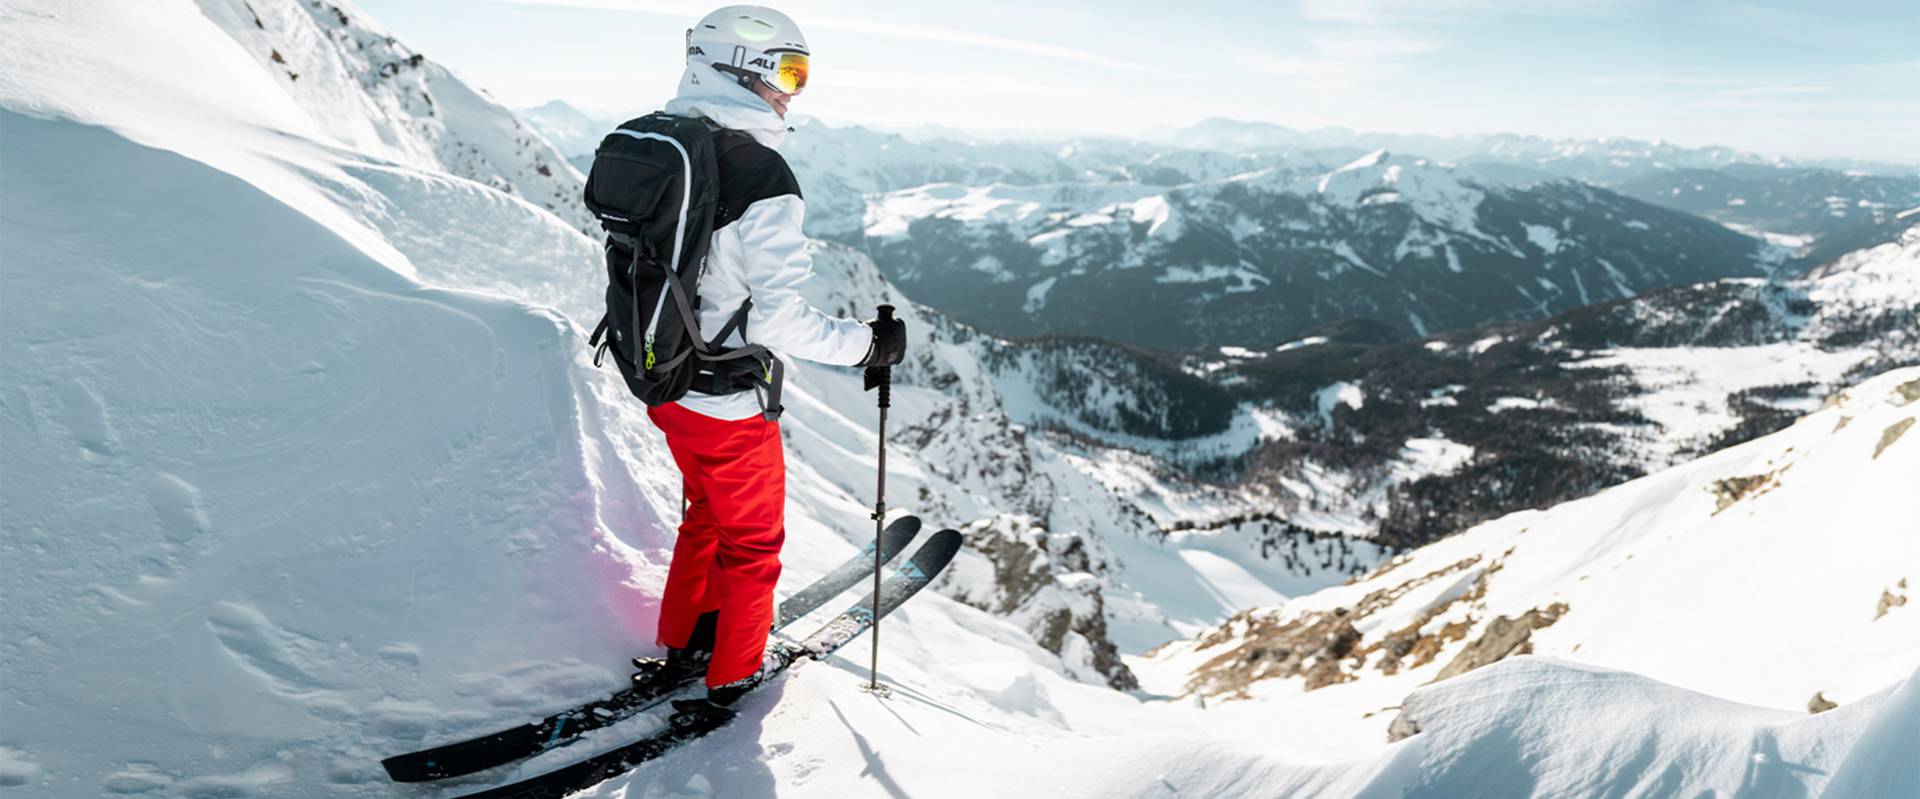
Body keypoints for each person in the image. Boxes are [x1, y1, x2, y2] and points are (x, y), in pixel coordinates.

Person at [638, 5, 907, 710]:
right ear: (739, 70)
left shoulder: (665, 144)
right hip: (726, 401)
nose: (795, 89)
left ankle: (686, 642)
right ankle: (733, 675)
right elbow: (782, 318)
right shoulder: (760, 173)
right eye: (789, 71)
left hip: (663, 381)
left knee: (704, 514)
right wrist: (868, 346)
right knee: (752, 544)